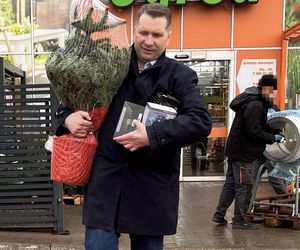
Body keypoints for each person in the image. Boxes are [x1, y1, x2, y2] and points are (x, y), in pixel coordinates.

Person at [55, 3, 211, 249]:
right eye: (143, 33)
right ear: (134, 30)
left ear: (169, 35)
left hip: (151, 185)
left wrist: (152, 134)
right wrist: (66, 118)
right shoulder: (108, 62)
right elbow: (69, 98)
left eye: (157, 35)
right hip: (106, 180)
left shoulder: (179, 76)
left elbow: (200, 121)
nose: (149, 41)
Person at [212, 74, 285, 229]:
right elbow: (253, 130)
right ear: (266, 89)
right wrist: (273, 138)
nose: (274, 94)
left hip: (236, 150)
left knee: (231, 185)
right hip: (243, 153)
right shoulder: (256, 104)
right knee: (243, 186)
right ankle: (239, 220)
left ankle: (219, 215)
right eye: (273, 91)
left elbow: (259, 124)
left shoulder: (254, 100)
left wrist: (275, 131)